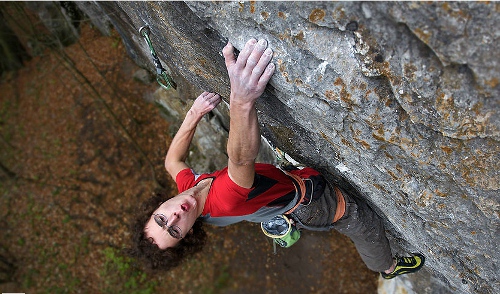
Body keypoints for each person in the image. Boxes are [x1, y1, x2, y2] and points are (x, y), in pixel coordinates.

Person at [130, 38, 425, 279]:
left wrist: (194, 114)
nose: (175, 216)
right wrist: (241, 100)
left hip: (279, 191)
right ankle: (387, 268)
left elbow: (172, 161)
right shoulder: (223, 201)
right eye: (175, 230)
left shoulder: (188, 187)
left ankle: (281, 219)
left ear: (158, 205)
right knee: (362, 223)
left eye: (161, 218)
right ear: (188, 234)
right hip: (311, 205)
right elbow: (240, 160)